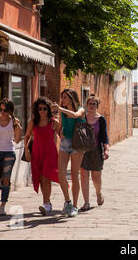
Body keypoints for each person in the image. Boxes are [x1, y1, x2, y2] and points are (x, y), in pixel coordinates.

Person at [24, 97, 61, 215]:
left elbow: (61, 134)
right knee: (40, 178)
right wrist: (26, 150)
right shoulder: (33, 122)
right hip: (37, 152)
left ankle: (47, 203)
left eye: (45, 109)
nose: (42, 111)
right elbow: (27, 136)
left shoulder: (53, 122)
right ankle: (46, 203)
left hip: (50, 152)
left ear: (48, 109)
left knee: (46, 177)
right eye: (40, 108)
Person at [52, 89, 86, 217]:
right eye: (62, 97)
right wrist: (58, 130)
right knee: (60, 174)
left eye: (65, 97)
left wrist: (60, 108)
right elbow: (60, 128)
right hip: (65, 143)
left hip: (77, 144)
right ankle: (68, 202)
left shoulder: (81, 109)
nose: (63, 99)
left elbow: (76, 115)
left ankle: (75, 206)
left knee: (73, 175)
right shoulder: (63, 113)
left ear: (72, 98)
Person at [79, 95, 110, 211]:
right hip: (83, 151)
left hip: (96, 150)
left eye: (94, 104)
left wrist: (106, 149)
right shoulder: (82, 118)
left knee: (96, 177)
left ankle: (98, 193)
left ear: (97, 106)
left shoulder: (101, 119)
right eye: (90, 103)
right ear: (86, 105)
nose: (92, 106)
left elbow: (104, 136)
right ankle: (86, 202)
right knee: (84, 176)